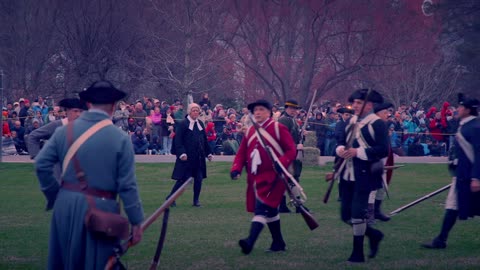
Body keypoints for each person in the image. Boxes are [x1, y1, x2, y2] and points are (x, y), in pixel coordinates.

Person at [35, 80, 144, 269]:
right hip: (100, 209)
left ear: (88, 104)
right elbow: (127, 186)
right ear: (112, 107)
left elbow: (42, 165)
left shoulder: (64, 131)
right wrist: (136, 221)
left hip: (65, 206)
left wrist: (55, 195)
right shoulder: (120, 138)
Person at [230, 99, 296, 255]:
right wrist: (236, 169)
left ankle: (249, 241)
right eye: (255, 110)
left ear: (269, 112)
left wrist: (281, 163)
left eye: (261, 109)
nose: (257, 113)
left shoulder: (279, 128)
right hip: (255, 179)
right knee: (271, 210)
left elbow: (291, 150)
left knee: (261, 209)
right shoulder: (251, 131)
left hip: (275, 177)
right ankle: (278, 243)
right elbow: (241, 154)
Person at [336, 89, 389, 263]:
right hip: (347, 174)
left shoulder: (377, 124)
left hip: (365, 175)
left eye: (359, 103)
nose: (355, 106)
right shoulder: (350, 121)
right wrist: (340, 150)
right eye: (355, 103)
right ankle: (374, 235)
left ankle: (357, 254)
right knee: (345, 215)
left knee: (358, 214)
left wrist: (358, 152)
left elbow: (383, 150)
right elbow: (341, 142)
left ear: (370, 105)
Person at [422, 93, 480, 249]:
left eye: (461, 106)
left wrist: (476, 178)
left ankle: (441, 239)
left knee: (457, 206)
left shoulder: (474, 127)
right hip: (462, 176)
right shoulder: (466, 125)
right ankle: (441, 240)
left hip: (470, 177)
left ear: (467, 110)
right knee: (452, 206)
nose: (458, 109)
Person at [168, 103, 213, 207]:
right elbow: (178, 141)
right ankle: (171, 198)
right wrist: (182, 153)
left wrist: (208, 153)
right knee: (183, 180)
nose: (196, 112)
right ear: (189, 112)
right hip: (186, 158)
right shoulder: (183, 124)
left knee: (199, 179)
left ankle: (196, 201)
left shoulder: (200, 124)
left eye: (197, 111)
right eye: (194, 110)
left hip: (199, 158)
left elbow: (204, 141)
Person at [366, 102, 394, 225]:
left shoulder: (382, 125)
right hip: (372, 161)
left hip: (381, 160)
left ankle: (377, 211)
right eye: (384, 112)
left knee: (381, 188)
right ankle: (369, 214)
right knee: (372, 189)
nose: (387, 115)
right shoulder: (372, 125)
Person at [277, 99, 303, 213]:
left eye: (295, 109)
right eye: (291, 108)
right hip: (286, 153)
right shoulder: (283, 120)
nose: (294, 111)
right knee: (293, 180)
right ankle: (298, 206)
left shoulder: (292, 120)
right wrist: (296, 145)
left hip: (292, 153)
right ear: (286, 108)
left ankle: (283, 206)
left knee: (288, 180)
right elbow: (282, 138)